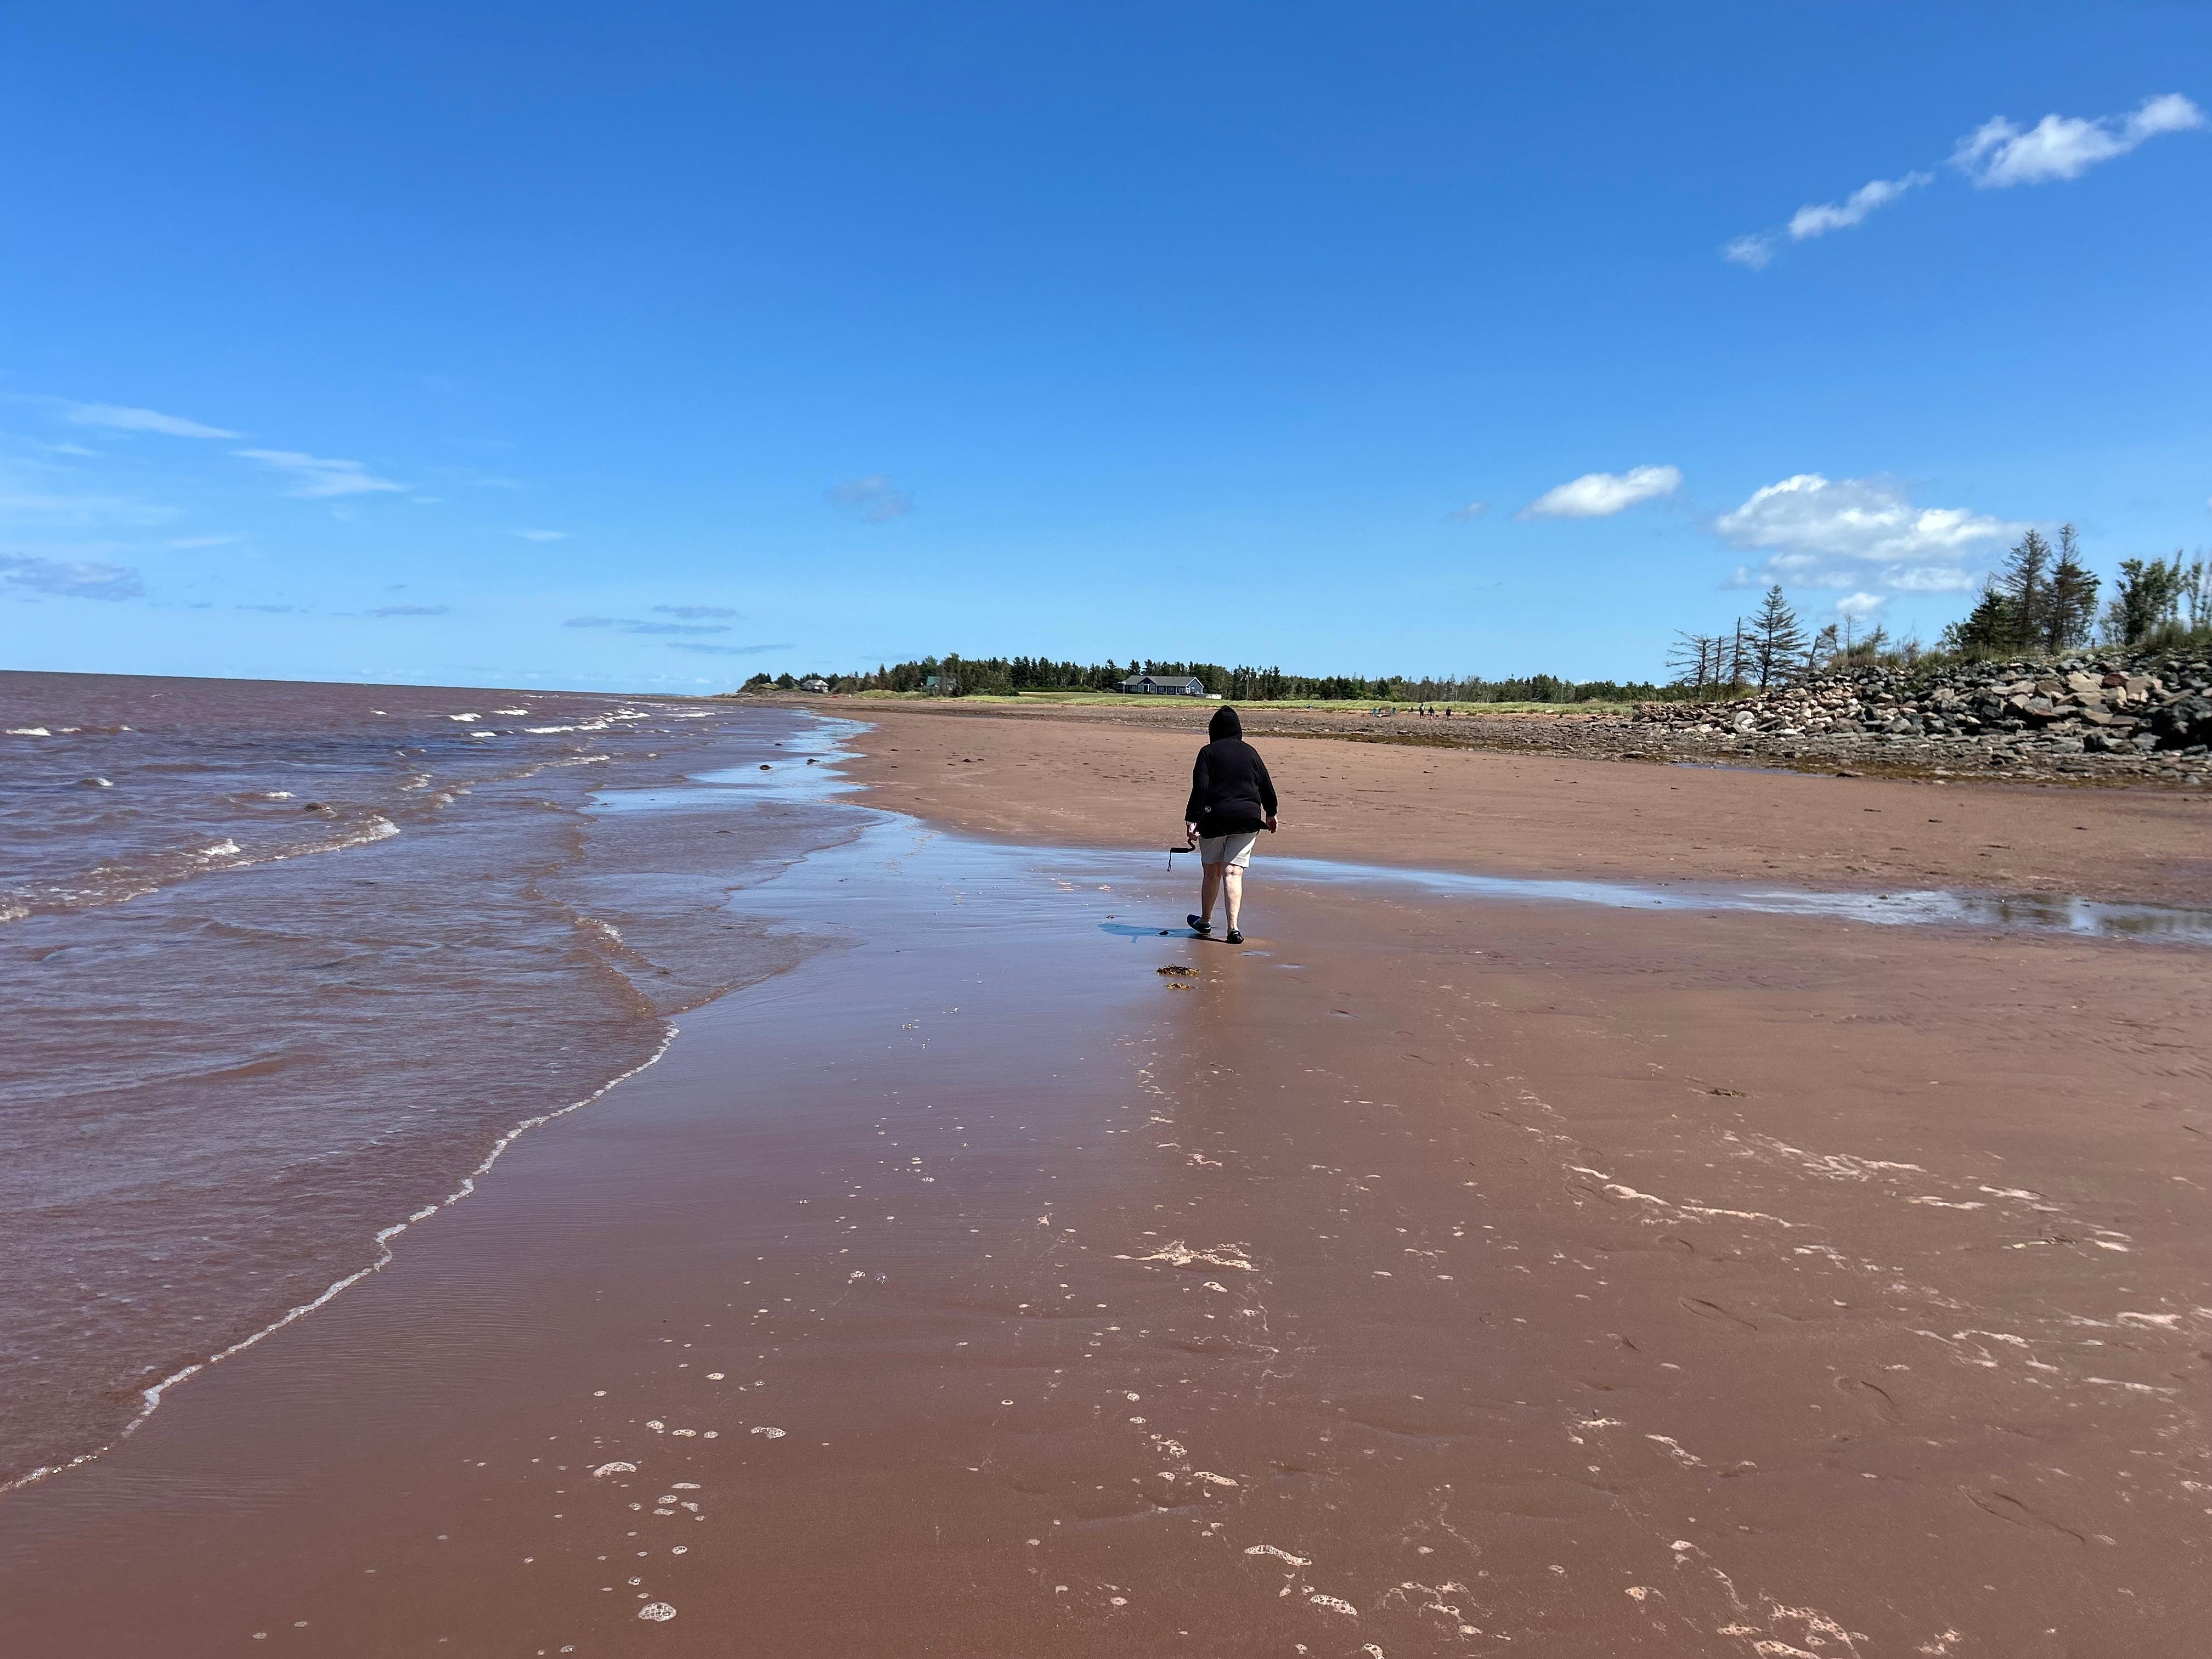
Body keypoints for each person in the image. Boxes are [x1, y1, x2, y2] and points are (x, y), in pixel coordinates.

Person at [1182, 705, 1277, 944]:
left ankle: (1205, 922)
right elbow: (1266, 785)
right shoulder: (1251, 752)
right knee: (1233, 872)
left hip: (1213, 816)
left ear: (1212, 731)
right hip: (1247, 818)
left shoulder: (1207, 753)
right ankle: (1233, 929)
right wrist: (1271, 813)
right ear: (1239, 730)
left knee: (1212, 871)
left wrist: (1192, 819)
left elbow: (1201, 788)